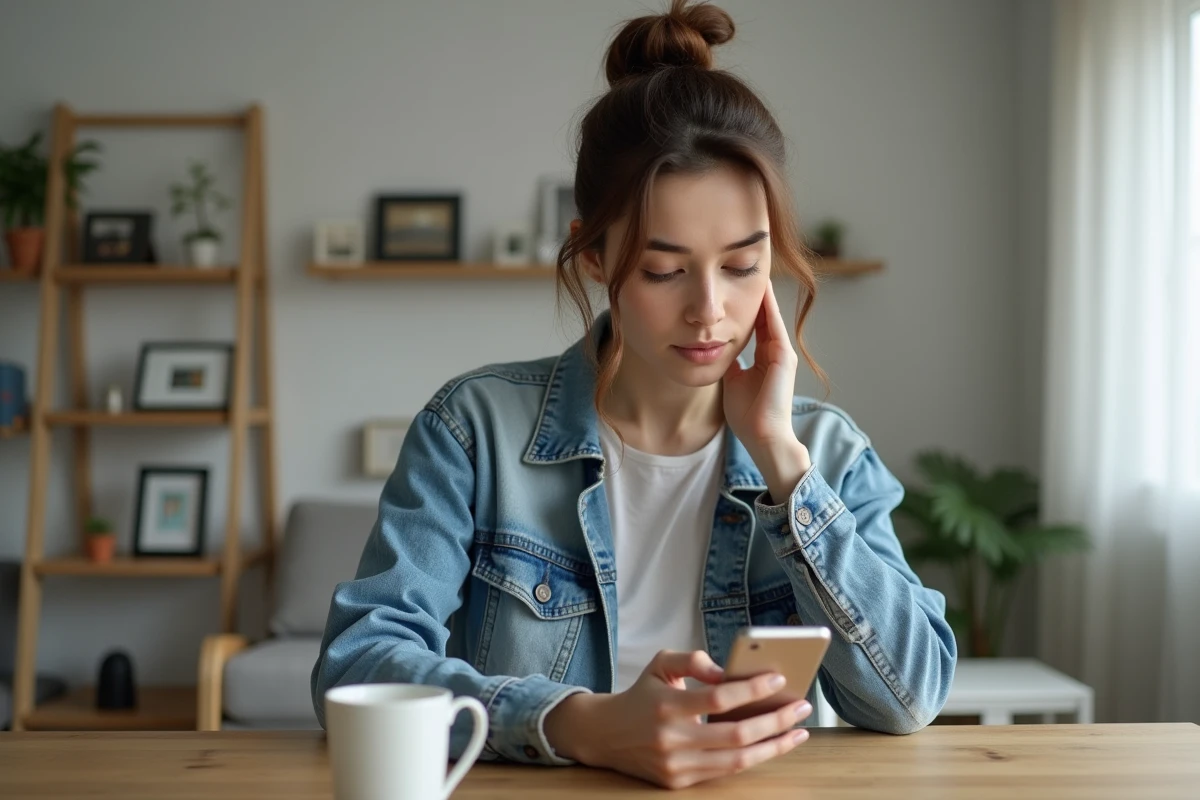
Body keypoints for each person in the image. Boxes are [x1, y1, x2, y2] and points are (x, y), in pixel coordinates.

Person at [312, 0, 955, 789]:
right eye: (663, 269)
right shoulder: (474, 430)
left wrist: (784, 466)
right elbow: (359, 665)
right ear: (591, 255)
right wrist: (577, 723)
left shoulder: (826, 453)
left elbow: (910, 698)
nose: (710, 310)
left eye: (745, 265)